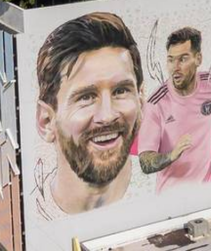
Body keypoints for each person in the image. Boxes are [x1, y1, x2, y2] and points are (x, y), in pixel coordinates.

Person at [34, 12, 144, 216]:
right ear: (46, 121)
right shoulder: (31, 217)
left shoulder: (169, 184)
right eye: (86, 97)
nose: (107, 116)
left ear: (141, 100)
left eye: (120, 91)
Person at [138, 27, 211, 192]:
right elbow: (145, 161)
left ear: (198, 59)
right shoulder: (156, 104)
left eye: (183, 59)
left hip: (207, 187)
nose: (175, 67)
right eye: (171, 60)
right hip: (172, 196)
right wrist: (171, 155)